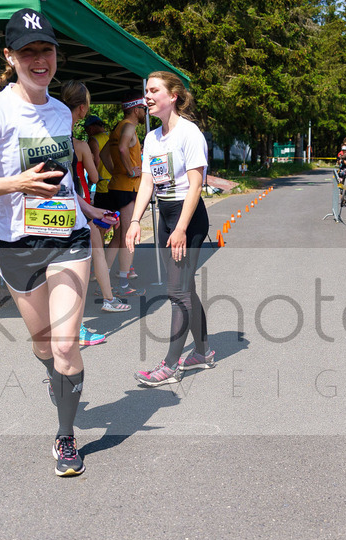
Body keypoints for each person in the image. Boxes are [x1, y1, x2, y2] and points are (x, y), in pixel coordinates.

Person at [0, 7, 116, 477]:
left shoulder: (62, 112)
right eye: (28, 52)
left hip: (68, 238)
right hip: (19, 245)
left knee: (65, 345)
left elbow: (57, 185)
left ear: (56, 55)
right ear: (11, 56)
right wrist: (14, 184)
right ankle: (56, 378)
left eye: (46, 50)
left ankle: (65, 436)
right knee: (44, 347)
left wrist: (87, 209)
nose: (39, 60)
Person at [126, 71, 214, 387]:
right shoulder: (152, 138)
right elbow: (148, 181)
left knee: (176, 292)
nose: (147, 96)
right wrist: (135, 221)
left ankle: (170, 366)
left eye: (154, 90)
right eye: (145, 91)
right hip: (165, 216)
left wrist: (180, 228)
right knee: (184, 288)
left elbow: (195, 185)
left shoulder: (189, 134)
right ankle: (202, 352)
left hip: (187, 219)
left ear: (172, 96)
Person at [60, 81, 130, 316]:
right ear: (82, 109)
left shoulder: (60, 139)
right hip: (78, 204)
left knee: (71, 258)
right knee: (88, 254)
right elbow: (94, 174)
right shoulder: (78, 144)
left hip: (63, 205)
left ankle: (80, 312)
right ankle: (99, 304)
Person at [107, 93, 147, 294]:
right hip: (127, 187)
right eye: (143, 109)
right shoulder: (129, 127)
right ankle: (123, 284)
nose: (144, 113)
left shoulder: (118, 127)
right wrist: (130, 169)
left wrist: (115, 170)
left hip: (116, 184)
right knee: (128, 235)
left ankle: (103, 276)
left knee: (119, 235)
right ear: (135, 109)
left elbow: (105, 153)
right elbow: (123, 148)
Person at [84, 115, 109, 204]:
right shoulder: (113, 136)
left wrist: (91, 178)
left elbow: (96, 161)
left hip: (103, 185)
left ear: (90, 128)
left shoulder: (94, 140)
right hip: (117, 183)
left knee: (103, 216)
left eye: (87, 130)